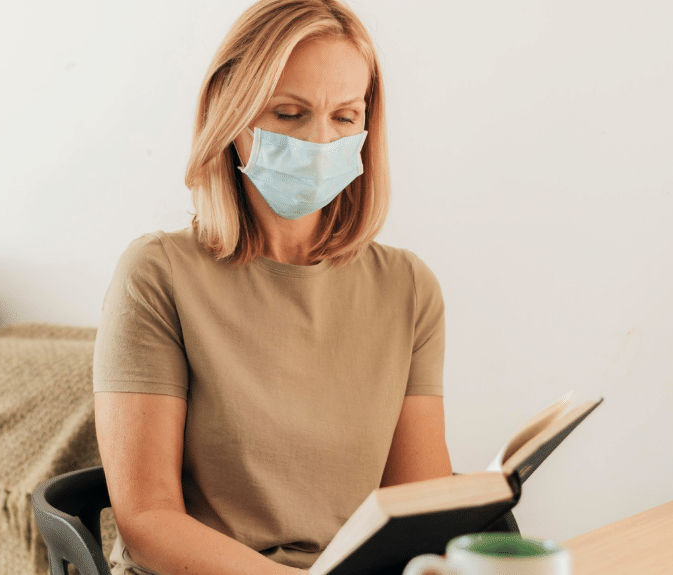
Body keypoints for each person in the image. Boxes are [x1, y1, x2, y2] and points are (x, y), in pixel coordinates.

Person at [93, 1, 453, 574]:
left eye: (344, 116)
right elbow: (148, 523)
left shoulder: (408, 289)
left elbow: (420, 509)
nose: (319, 143)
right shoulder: (156, 275)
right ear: (230, 116)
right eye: (288, 114)